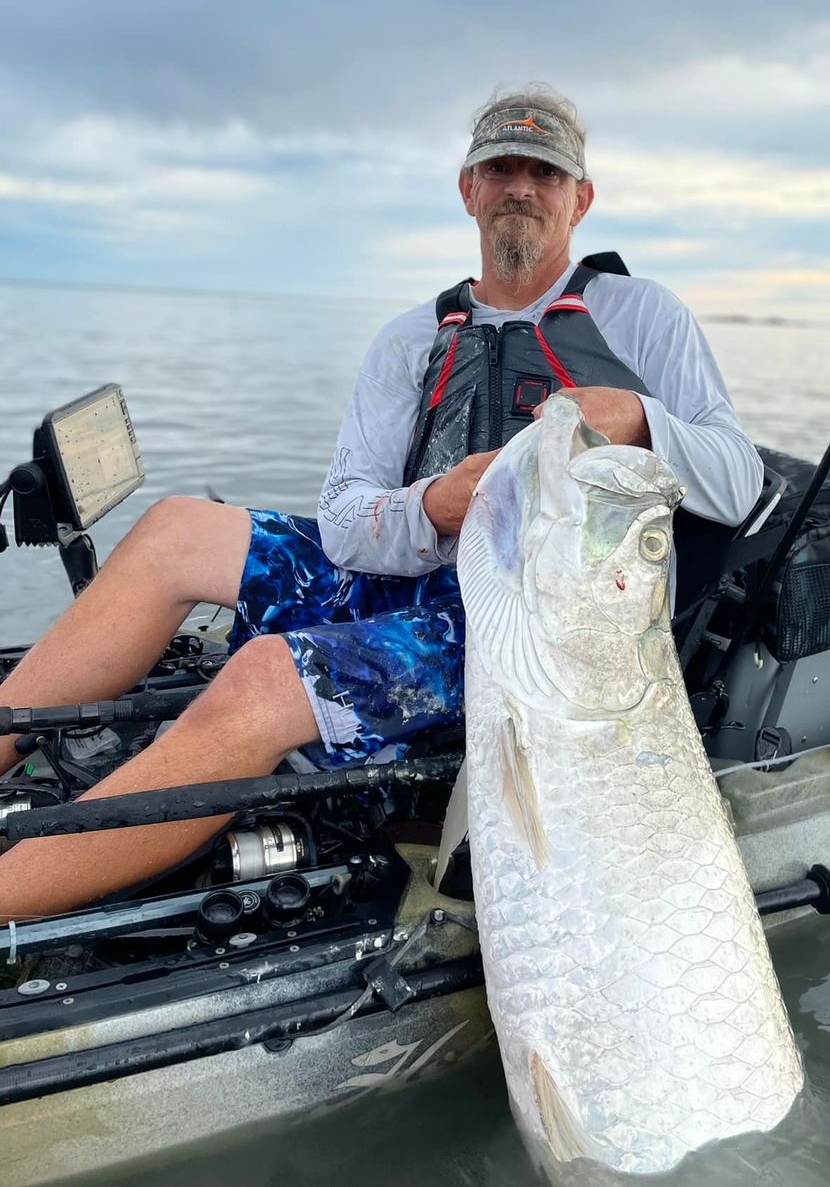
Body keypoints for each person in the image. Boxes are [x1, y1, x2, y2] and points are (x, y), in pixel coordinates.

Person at [0, 85, 763, 918]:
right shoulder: (410, 338)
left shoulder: (644, 317)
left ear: (580, 199)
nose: (521, 187)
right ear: (468, 190)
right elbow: (343, 518)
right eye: (500, 168)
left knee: (264, 677)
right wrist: (433, 506)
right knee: (175, 529)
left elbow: (738, 481)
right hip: (418, 567)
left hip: (528, 631)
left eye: (545, 173)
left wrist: (643, 419)